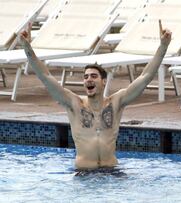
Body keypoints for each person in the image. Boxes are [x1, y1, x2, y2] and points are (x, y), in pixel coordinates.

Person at [19, 20, 172, 171]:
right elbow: (45, 77)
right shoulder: (74, 103)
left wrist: (163, 46)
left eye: (93, 76)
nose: (88, 80)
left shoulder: (116, 102)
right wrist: (27, 47)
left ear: (103, 81)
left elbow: (145, 77)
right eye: (85, 77)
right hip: (84, 175)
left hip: (112, 173)